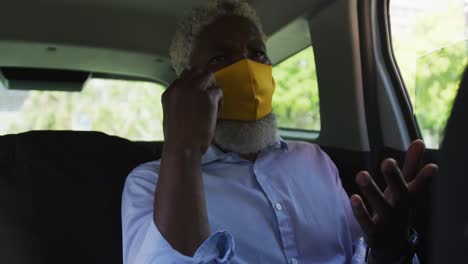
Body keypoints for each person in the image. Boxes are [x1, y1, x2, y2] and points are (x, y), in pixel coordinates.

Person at [121, 0, 438, 263]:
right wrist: (183, 150)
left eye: (257, 53)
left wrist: (389, 251)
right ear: (188, 83)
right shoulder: (149, 183)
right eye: (221, 58)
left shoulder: (315, 161)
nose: (247, 68)